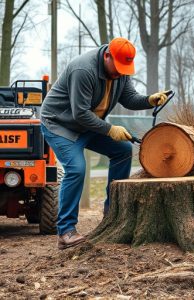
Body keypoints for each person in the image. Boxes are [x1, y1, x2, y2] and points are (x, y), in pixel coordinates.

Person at [40, 37, 169, 250]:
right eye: (118, 67)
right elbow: (80, 113)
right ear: (107, 55)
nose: (120, 72)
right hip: (60, 124)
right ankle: (65, 231)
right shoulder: (83, 70)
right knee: (77, 168)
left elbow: (129, 98)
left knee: (123, 150)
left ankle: (113, 214)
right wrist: (110, 129)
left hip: (88, 124)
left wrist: (149, 100)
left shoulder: (120, 71)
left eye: (124, 68)